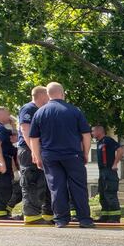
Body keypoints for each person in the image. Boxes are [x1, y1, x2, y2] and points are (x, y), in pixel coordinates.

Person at [29, 82, 95, 228]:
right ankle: (84, 219)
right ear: (62, 93)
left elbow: (34, 138)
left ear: (48, 94)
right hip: (73, 155)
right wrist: (85, 153)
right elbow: (86, 135)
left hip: (50, 156)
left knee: (56, 187)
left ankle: (61, 220)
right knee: (78, 187)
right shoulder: (75, 111)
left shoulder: (40, 112)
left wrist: (37, 156)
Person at [17, 86, 54, 225]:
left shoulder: (40, 110)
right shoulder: (29, 109)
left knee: (41, 182)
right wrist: (34, 150)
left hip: (38, 150)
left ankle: (45, 214)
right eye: (48, 94)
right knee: (31, 182)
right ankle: (32, 216)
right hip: (28, 150)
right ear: (42, 95)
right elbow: (25, 129)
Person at [92, 126, 123, 222]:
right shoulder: (99, 142)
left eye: (93, 131)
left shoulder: (108, 140)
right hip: (102, 172)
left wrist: (115, 164)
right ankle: (105, 216)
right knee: (102, 195)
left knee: (110, 194)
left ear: (99, 131)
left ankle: (115, 218)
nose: (92, 133)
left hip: (109, 171)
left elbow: (120, 150)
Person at [0, 107, 17, 219]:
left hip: (1, 158)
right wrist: (1, 162)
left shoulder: (1, 128)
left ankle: (0, 212)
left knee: (3, 185)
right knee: (2, 186)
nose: (9, 117)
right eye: (8, 114)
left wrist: (13, 126)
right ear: (1, 114)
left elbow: (14, 139)